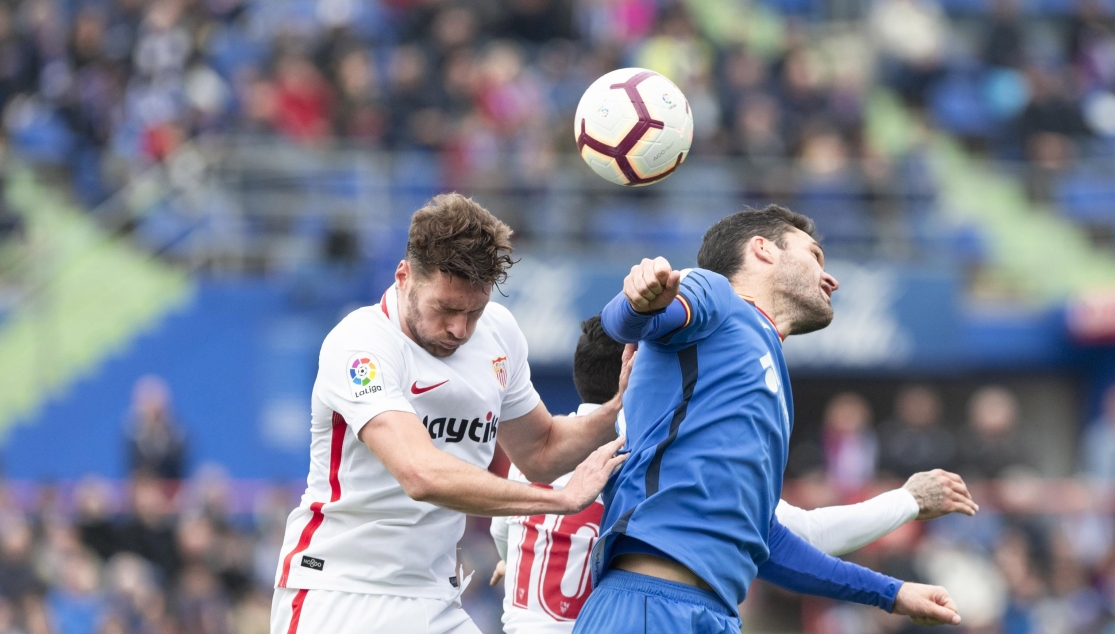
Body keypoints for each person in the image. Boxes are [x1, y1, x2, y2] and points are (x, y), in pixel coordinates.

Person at [577, 205, 967, 633]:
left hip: (713, 614)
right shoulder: (715, 294)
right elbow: (632, 319)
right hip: (650, 607)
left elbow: (767, 541)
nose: (830, 276)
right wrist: (636, 300)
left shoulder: (765, 368)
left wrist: (891, 593)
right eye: (815, 255)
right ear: (762, 249)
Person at [269, 193, 630, 634]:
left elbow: (541, 449)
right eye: (446, 309)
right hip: (341, 592)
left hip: (434, 596)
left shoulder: (499, 334)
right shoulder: (360, 344)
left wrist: (618, 409)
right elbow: (420, 474)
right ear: (404, 277)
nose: (460, 329)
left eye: (473, 311)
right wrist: (559, 500)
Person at [489, 316, 976, 633]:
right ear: (637, 366)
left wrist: (513, 559)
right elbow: (797, 534)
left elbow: (500, 526)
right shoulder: (664, 456)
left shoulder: (533, 461)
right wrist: (908, 501)